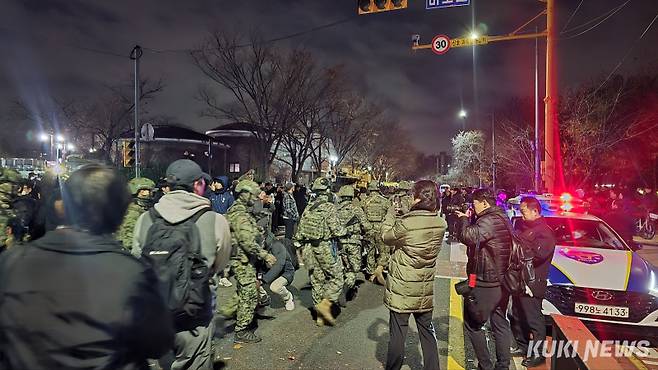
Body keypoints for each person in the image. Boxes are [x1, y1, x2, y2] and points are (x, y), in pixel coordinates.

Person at [0, 164, 175, 370]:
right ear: (118, 214)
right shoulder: (130, 273)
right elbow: (158, 343)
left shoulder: (11, 262)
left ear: (63, 206)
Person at [132, 159, 232, 369]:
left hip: (156, 316)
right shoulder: (214, 220)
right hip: (195, 317)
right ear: (197, 185)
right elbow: (221, 264)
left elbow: (137, 261)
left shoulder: (145, 219)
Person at [382, 180, 446, 370]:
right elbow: (419, 228)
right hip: (424, 287)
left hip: (402, 286)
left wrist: (391, 215)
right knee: (427, 331)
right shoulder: (440, 223)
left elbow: (386, 237)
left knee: (398, 333)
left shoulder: (406, 224)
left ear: (417, 198)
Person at [455, 188, 513, 370]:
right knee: (499, 322)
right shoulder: (502, 217)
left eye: (475, 203)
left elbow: (467, 236)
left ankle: (485, 366)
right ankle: (503, 365)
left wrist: (463, 218)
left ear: (484, 203)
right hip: (501, 279)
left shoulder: (489, 220)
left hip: (487, 280)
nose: (474, 207)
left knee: (473, 324)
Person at [225, 179, 277, 343]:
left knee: (243, 291)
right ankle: (241, 331)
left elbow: (246, 231)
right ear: (244, 194)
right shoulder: (240, 213)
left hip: (242, 258)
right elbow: (246, 242)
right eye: (253, 195)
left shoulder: (242, 211)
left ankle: (226, 311)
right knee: (249, 294)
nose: (255, 198)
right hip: (242, 259)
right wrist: (265, 255)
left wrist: (257, 228)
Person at [510, 197, 556, 368]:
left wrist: (518, 248)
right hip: (520, 280)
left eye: (524, 212)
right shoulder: (525, 228)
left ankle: (538, 353)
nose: (521, 216)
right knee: (517, 314)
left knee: (533, 319)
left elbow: (538, 255)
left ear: (535, 211)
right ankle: (522, 345)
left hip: (532, 282)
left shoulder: (544, 232)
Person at [295, 177, 347, 326]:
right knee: (337, 278)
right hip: (324, 247)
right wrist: (346, 230)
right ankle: (325, 305)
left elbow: (300, 232)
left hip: (309, 249)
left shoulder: (309, 207)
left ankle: (319, 316)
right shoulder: (330, 207)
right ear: (327, 190)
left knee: (316, 280)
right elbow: (336, 229)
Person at [336, 185, 372, 301]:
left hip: (338, 243)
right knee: (353, 268)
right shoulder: (356, 209)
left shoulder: (335, 210)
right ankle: (345, 288)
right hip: (353, 243)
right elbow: (366, 226)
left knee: (341, 266)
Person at [362, 181, 392, 285]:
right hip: (381, 229)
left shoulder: (364, 201)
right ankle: (379, 270)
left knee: (370, 251)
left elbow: (362, 217)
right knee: (384, 251)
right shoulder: (385, 201)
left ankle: (370, 273)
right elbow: (390, 215)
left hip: (369, 229)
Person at [260, 230, 296, 311]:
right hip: (269, 272)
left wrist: (264, 279)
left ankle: (288, 298)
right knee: (252, 280)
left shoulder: (277, 246)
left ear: (265, 237)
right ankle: (263, 298)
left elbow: (279, 265)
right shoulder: (260, 246)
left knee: (275, 287)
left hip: (285, 272)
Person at [117, 177, 155, 249]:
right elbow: (128, 240)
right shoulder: (133, 212)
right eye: (143, 191)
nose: (148, 194)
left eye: (149, 191)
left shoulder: (138, 210)